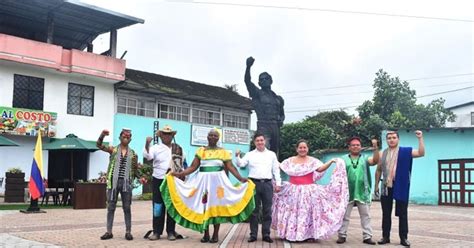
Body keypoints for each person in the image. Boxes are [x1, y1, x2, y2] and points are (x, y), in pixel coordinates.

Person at [161, 129, 255, 243]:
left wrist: (240, 178)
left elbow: (231, 167)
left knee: (217, 208)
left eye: (215, 135)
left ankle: (215, 235)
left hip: (218, 184)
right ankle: (206, 234)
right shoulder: (201, 151)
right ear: (207, 137)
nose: (212, 137)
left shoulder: (223, 152)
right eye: (210, 135)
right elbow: (192, 167)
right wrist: (179, 174)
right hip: (203, 183)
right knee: (204, 207)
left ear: (218, 138)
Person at [272, 139, 349, 242]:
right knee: (293, 212)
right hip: (293, 190)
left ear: (307, 149)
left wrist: (331, 161)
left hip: (309, 191)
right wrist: (270, 158)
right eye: (300, 147)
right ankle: (291, 234)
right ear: (297, 149)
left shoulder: (313, 161)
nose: (302, 149)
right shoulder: (290, 161)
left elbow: (320, 169)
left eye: (304, 147)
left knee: (307, 212)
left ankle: (308, 235)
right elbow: (280, 166)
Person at [375, 130, 425, 247]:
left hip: (401, 185)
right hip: (386, 186)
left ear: (398, 139)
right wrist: (376, 185)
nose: (391, 140)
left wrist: (420, 138)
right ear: (386, 140)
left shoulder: (405, 152)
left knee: (403, 213)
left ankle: (404, 238)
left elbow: (421, 153)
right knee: (386, 213)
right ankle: (385, 237)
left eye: (394, 137)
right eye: (389, 138)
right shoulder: (383, 153)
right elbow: (378, 170)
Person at [235, 133, 281, 243]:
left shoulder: (271, 154)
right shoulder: (250, 154)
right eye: (257, 140)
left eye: (261, 140)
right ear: (254, 142)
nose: (260, 142)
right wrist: (237, 156)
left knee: (267, 210)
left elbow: (276, 170)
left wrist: (278, 183)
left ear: (265, 141)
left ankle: (266, 234)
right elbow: (241, 164)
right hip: (253, 184)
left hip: (267, 184)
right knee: (254, 211)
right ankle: (253, 235)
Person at [143, 125, 184, 241]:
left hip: (173, 180)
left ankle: (171, 231)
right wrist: (147, 144)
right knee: (158, 206)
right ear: (160, 135)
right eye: (164, 134)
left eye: (169, 134)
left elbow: (182, 164)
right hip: (158, 180)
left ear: (172, 136)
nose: (167, 136)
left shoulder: (178, 148)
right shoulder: (155, 148)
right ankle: (156, 232)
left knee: (171, 206)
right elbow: (147, 156)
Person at [97, 128, 138, 241]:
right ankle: (109, 232)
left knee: (127, 208)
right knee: (111, 207)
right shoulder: (113, 150)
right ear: (120, 137)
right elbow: (99, 145)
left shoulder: (133, 154)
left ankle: (128, 232)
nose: (126, 138)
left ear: (130, 139)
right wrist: (102, 135)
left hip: (126, 184)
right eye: (124, 136)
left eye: (128, 137)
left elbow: (135, 169)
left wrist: (141, 177)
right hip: (113, 182)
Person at [337, 137, 379, 245]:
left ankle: (367, 237)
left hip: (363, 191)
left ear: (361, 147)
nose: (356, 146)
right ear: (349, 147)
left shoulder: (365, 158)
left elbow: (375, 161)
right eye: (353, 145)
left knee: (366, 215)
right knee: (344, 215)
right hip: (347, 192)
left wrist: (375, 148)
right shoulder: (342, 159)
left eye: (358, 145)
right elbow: (336, 174)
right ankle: (342, 235)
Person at [244, 56, 285, 156]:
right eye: (262, 79)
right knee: (264, 148)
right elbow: (247, 81)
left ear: (271, 81)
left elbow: (282, 114)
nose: (264, 80)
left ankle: (274, 171)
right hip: (263, 125)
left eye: (267, 78)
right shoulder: (257, 94)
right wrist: (248, 67)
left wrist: (281, 119)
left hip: (275, 126)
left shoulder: (278, 98)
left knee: (275, 151)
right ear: (259, 83)